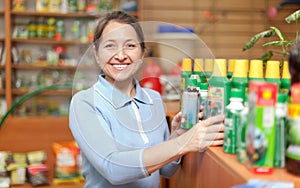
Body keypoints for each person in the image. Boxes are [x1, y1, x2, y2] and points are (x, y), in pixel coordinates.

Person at [69, 11, 225, 188]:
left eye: (130, 45)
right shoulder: (85, 102)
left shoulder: (154, 99)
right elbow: (113, 168)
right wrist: (185, 142)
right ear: (97, 54)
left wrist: (177, 136)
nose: (121, 55)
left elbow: (166, 170)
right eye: (110, 46)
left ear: (142, 53)